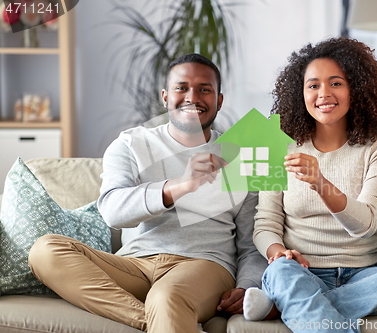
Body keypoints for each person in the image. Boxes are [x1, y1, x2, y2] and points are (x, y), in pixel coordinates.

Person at [28, 53, 267, 333]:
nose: (193, 97)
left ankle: (165, 314)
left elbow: (251, 245)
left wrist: (247, 286)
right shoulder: (131, 144)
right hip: (135, 264)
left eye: (205, 89)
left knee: (167, 297)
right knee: (45, 250)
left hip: (206, 265)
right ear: (165, 97)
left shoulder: (241, 158)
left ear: (219, 101)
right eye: (182, 88)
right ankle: (156, 321)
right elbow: (113, 212)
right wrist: (177, 186)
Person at [242, 37, 377, 333]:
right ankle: (294, 297)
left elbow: (368, 224)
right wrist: (277, 251)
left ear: (355, 89)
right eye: (313, 85)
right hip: (301, 271)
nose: (324, 94)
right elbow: (265, 222)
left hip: (365, 275)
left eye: (336, 83)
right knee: (280, 272)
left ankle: (286, 306)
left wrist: (320, 182)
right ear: (300, 92)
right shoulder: (276, 144)